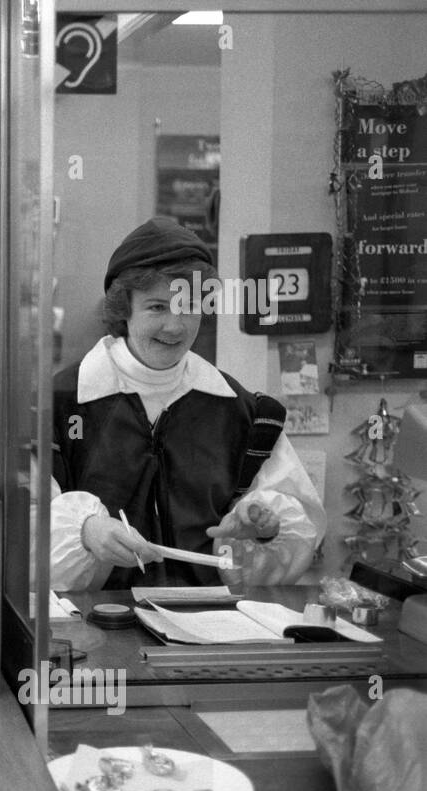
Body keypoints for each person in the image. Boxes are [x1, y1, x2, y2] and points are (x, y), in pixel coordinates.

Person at [50, 217, 325, 591]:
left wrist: (265, 527)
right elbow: (24, 533)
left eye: (188, 306)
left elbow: (296, 535)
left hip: (209, 626)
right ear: (123, 309)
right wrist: (84, 531)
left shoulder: (244, 414)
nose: (176, 327)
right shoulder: (59, 405)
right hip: (94, 626)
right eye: (157, 307)